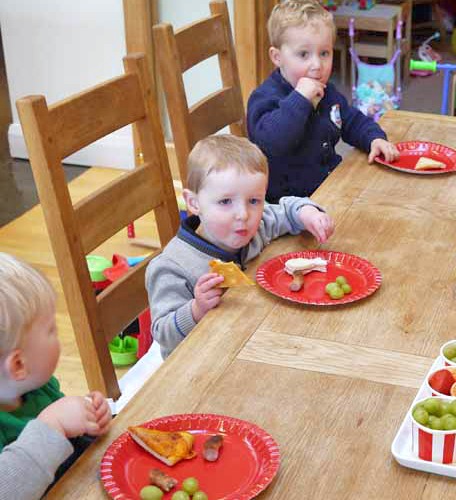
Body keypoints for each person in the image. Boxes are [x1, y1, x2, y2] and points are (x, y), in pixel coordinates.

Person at [146, 135, 334, 358]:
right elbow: (162, 333)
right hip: (200, 361)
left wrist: (308, 214)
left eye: (254, 201)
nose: (243, 214)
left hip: (251, 338)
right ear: (194, 203)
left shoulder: (256, 226)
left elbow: (285, 210)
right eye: (225, 202)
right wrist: (196, 309)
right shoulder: (171, 266)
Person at [247, 0, 399, 202]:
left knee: (388, 193)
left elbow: (351, 120)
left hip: (329, 186)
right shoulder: (264, 98)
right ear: (277, 57)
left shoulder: (327, 92)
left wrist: (374, 138)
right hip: (287, 205)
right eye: (303, 54)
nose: (317, 65)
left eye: (324, 53)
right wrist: (300, 99)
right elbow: (271, 144)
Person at [0, 253, 112, 499]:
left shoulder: (37, 387)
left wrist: (88, 422)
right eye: (51, 329)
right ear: (18, 364)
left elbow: (66, 445)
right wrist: (52, 425)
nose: (58, 334)